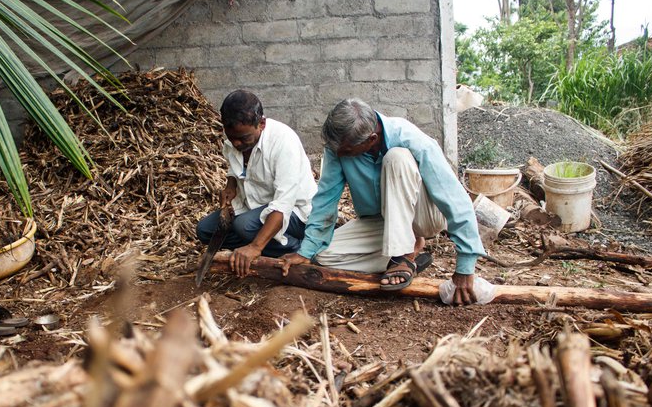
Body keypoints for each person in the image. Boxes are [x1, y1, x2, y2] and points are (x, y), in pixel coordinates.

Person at [279, 98, 485, 306]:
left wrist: (465, 266)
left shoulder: (409, 138)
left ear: (372, 139)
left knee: (397, 158)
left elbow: (455, 199)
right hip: (382, 222)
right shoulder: (339, 147)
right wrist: (305, 252)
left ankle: (401, 255)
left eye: (347, 152)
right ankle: (410, 249)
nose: (341, 155)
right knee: (322, 255)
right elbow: (325, 200)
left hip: (423, 217)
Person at [197, 90, 317, 277]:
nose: (236, 143)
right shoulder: (235, 132)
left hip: (296, 213)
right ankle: (267, 245)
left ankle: (303, 249)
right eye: (231, 137)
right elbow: (234, 165)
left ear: (261, 124)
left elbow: (283, 205)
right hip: (255, 206)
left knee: (244, 226)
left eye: (243, 138)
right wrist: (231, 185)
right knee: (205, 231)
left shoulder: (284, 143)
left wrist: (255, 247)